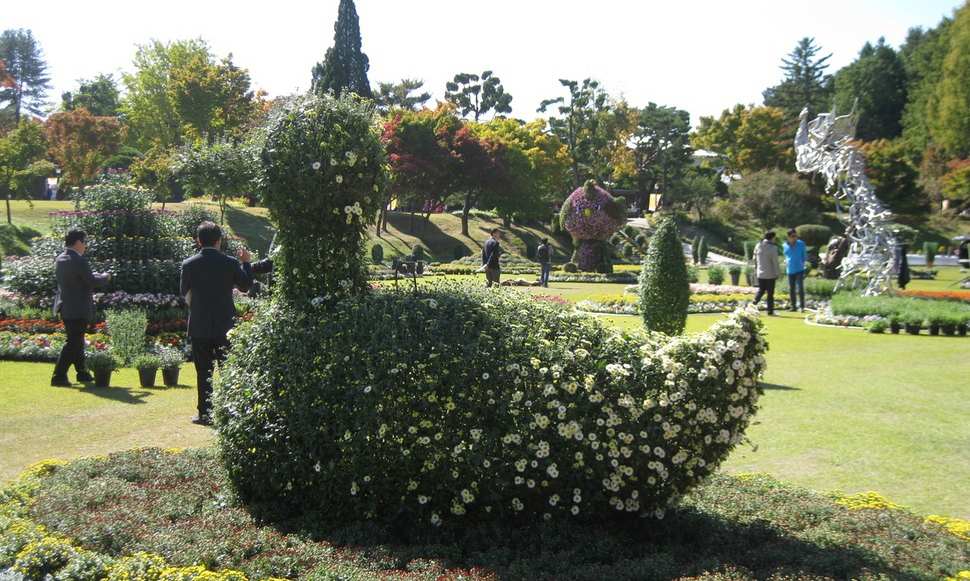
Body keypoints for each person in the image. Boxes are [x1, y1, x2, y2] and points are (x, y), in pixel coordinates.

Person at [180, 222, 253, 425]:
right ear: (219, 240)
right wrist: (246, 263)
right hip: (225, 325)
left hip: (200, 324)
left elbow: (184, 294)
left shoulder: (189, 264)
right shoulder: (230, 263)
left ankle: (205, 413)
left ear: (198, 240)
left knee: (203, 371)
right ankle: (230, 412)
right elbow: (246, 286)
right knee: (228, 369)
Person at [51, 230, 111, 386]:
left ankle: (82, 372)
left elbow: (78, 279)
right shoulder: (78, 260)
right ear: (78, 242)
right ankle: (58, 375)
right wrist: (105, 276)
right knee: (73, 342)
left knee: (76, 340)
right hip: (79, 307)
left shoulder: (61, 259)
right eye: (84, 242)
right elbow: (91, 280)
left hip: (66, 306)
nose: (85, 245)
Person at [752, 231, 781, 315]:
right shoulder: (773, 248)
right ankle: (770, 311)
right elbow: (775, 262)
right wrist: (778, 273)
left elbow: (754, 259)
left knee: (761, 290)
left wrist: (756, 269)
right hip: (770, 274)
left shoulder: (758, 245)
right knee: (770, 293)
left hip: (760, 273)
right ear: (772, 238)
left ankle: (752, 304)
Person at [783, 229, 807, 312]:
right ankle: (793, 307)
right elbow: (785, 256)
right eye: (793, 236)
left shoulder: (801, 244)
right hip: (790, 270)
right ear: (788, 237)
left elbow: (804, 256)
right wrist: (785, 261)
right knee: (791, 289)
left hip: (799, 269)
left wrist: (803, 263)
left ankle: (802, 306)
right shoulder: (784, 245)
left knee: (800, 288)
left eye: (796, 236)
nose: (795, 238)